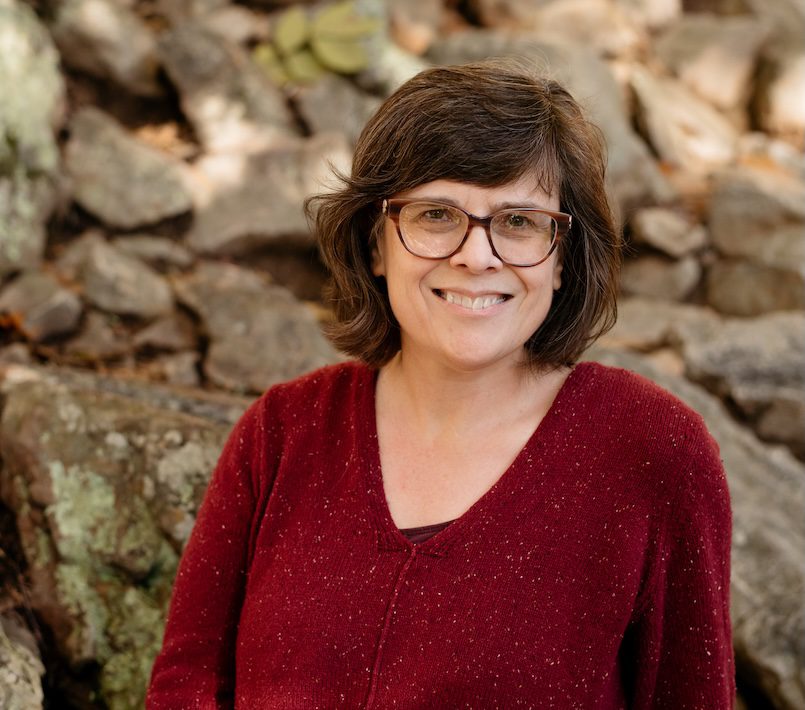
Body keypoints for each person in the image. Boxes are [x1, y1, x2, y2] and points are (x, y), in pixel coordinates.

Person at [147, 59, 734, 708]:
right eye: (435, 215)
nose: (476, 256)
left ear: (563, 260)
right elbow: (185, 688)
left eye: (518, 221)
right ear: (376, 244)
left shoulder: (652, 452)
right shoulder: (281, 434)